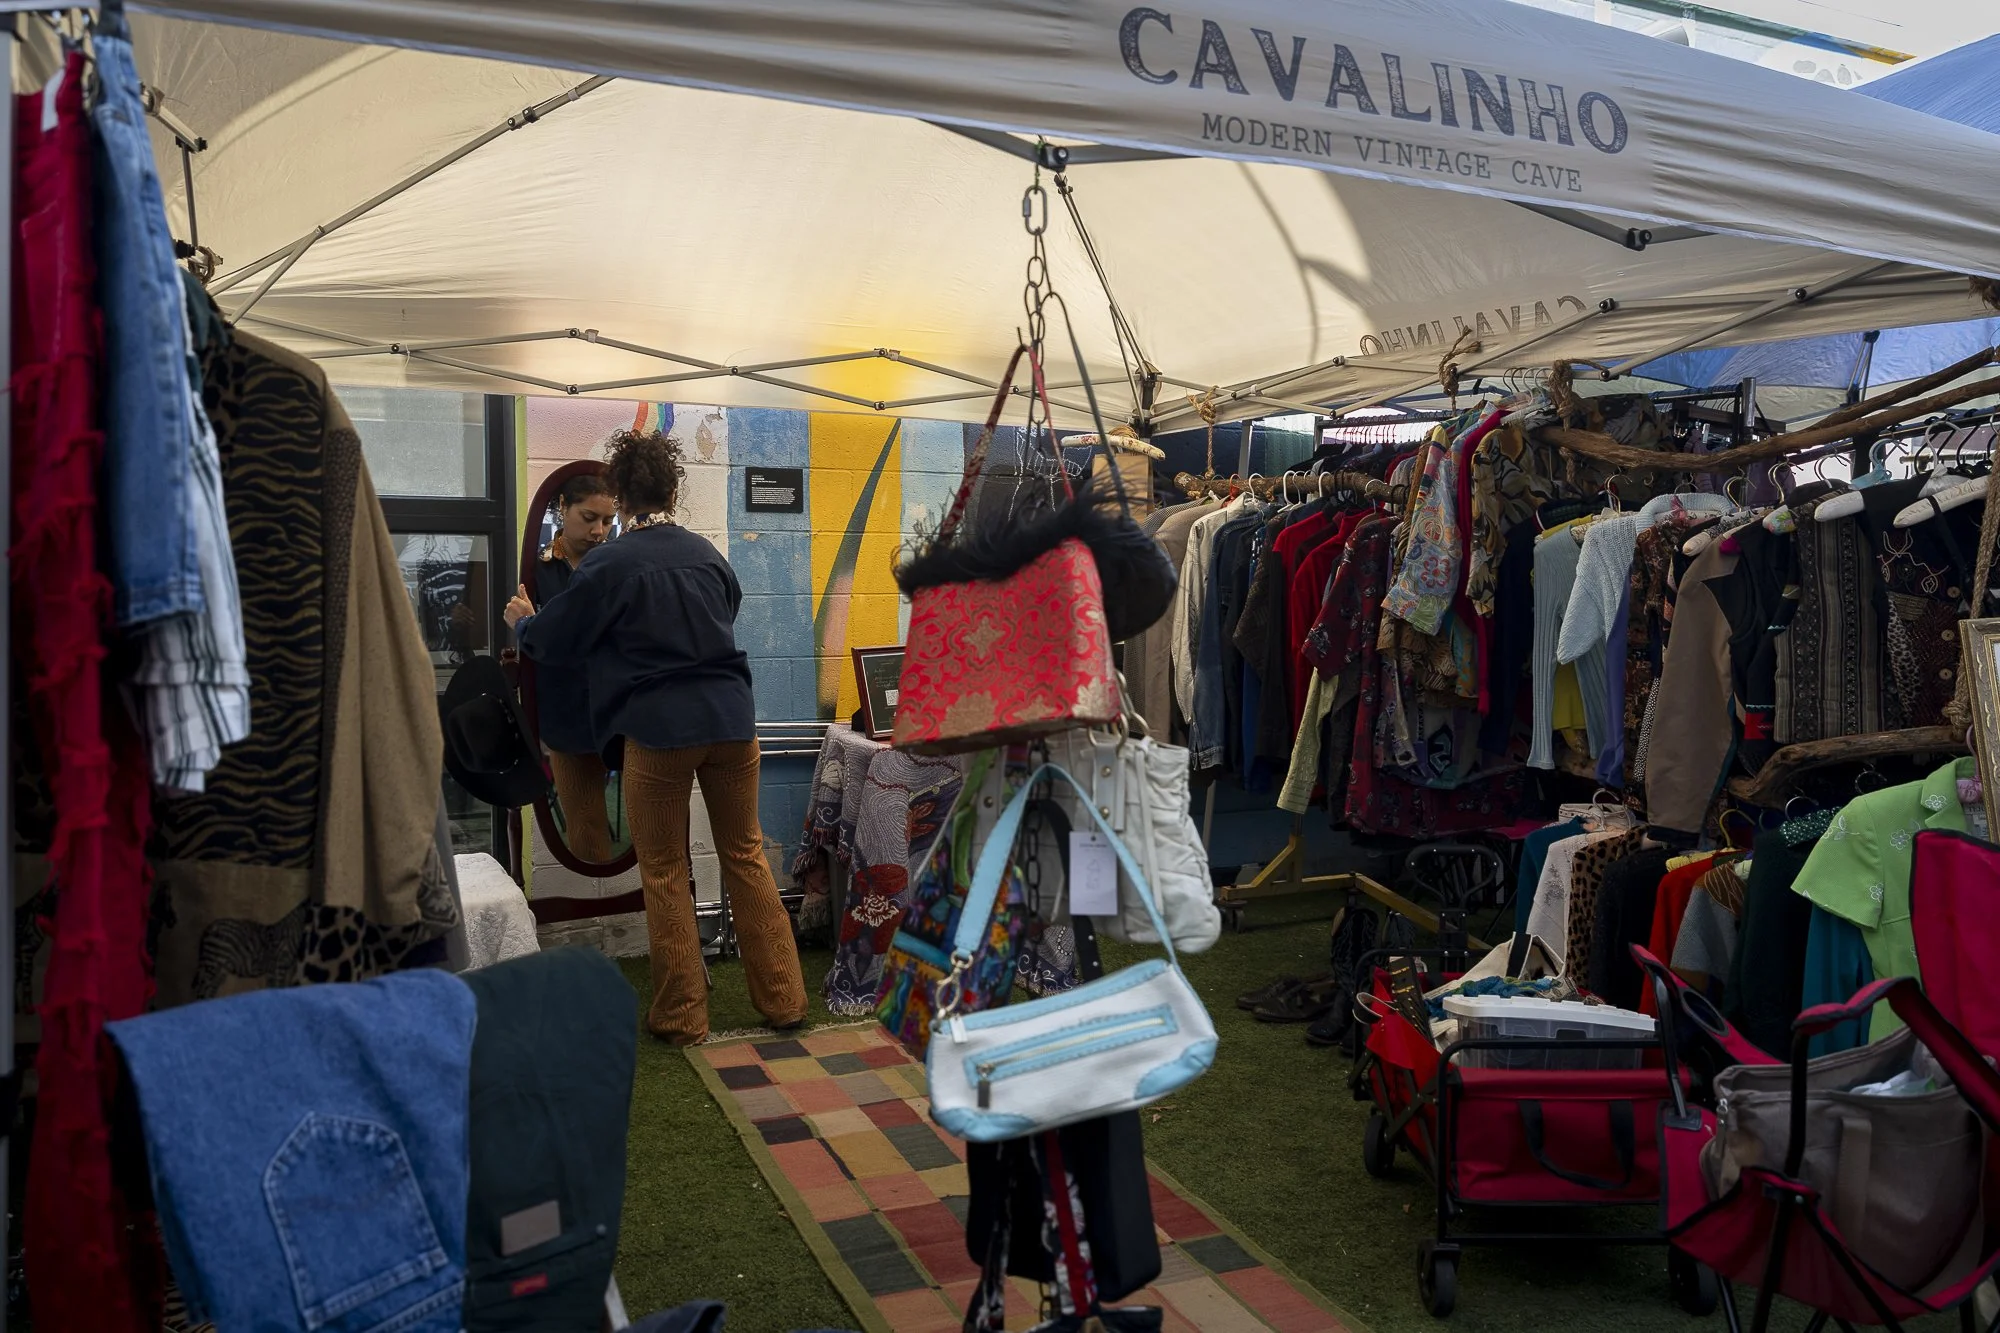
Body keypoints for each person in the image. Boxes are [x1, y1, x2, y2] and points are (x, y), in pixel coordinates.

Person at [506, 430, 807, 1043]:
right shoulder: (707, 555)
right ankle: (785, 1001)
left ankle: (681, 1015)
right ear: (672, 489)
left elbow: (556, 642)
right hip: (731, 721)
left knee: (665, 868)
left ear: (621, 496)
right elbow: (727, 612)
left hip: (660, 730)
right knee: (745, 853)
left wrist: (523, 625)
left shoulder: (609, 566)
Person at [529, 473, 618, 862]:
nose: (599, 531)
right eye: (589, 518)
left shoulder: (619, 566)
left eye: (608, 521)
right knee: (585, 828)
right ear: (562, 508)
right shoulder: (537, 571)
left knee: (652, 827)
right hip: (566, 714)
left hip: (620, 711)